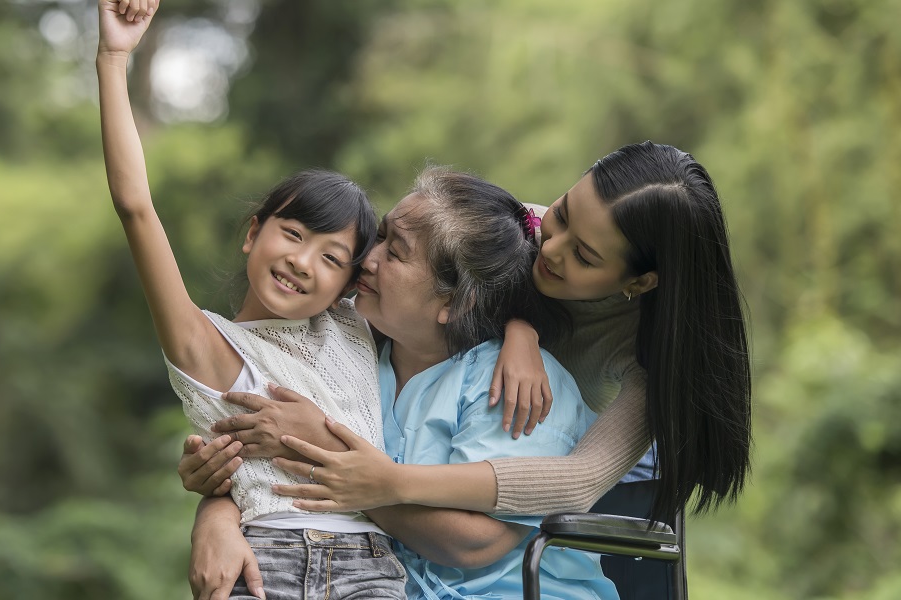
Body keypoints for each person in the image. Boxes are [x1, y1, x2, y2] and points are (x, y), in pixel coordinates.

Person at [184, 141, 752, 593]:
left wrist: (385, 481)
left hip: (547, 491)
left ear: (640, 281)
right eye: (560, 214)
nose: (548, 251)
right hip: (412, 542)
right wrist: (217, 506)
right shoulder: (505, 241)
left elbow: (574, 483)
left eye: (582, 256)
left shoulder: (642, 363)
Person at [96, 2, 406, 599]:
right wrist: (113, 58)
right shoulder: (207, 347)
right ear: (252, 234)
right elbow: (134, 204)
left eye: (330, 257)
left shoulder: (359, 326)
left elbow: (501, 239)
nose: (300, 261)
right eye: (292, 234)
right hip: (266, 565)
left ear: (351, 283)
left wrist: (521, 332)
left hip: (372, 568)